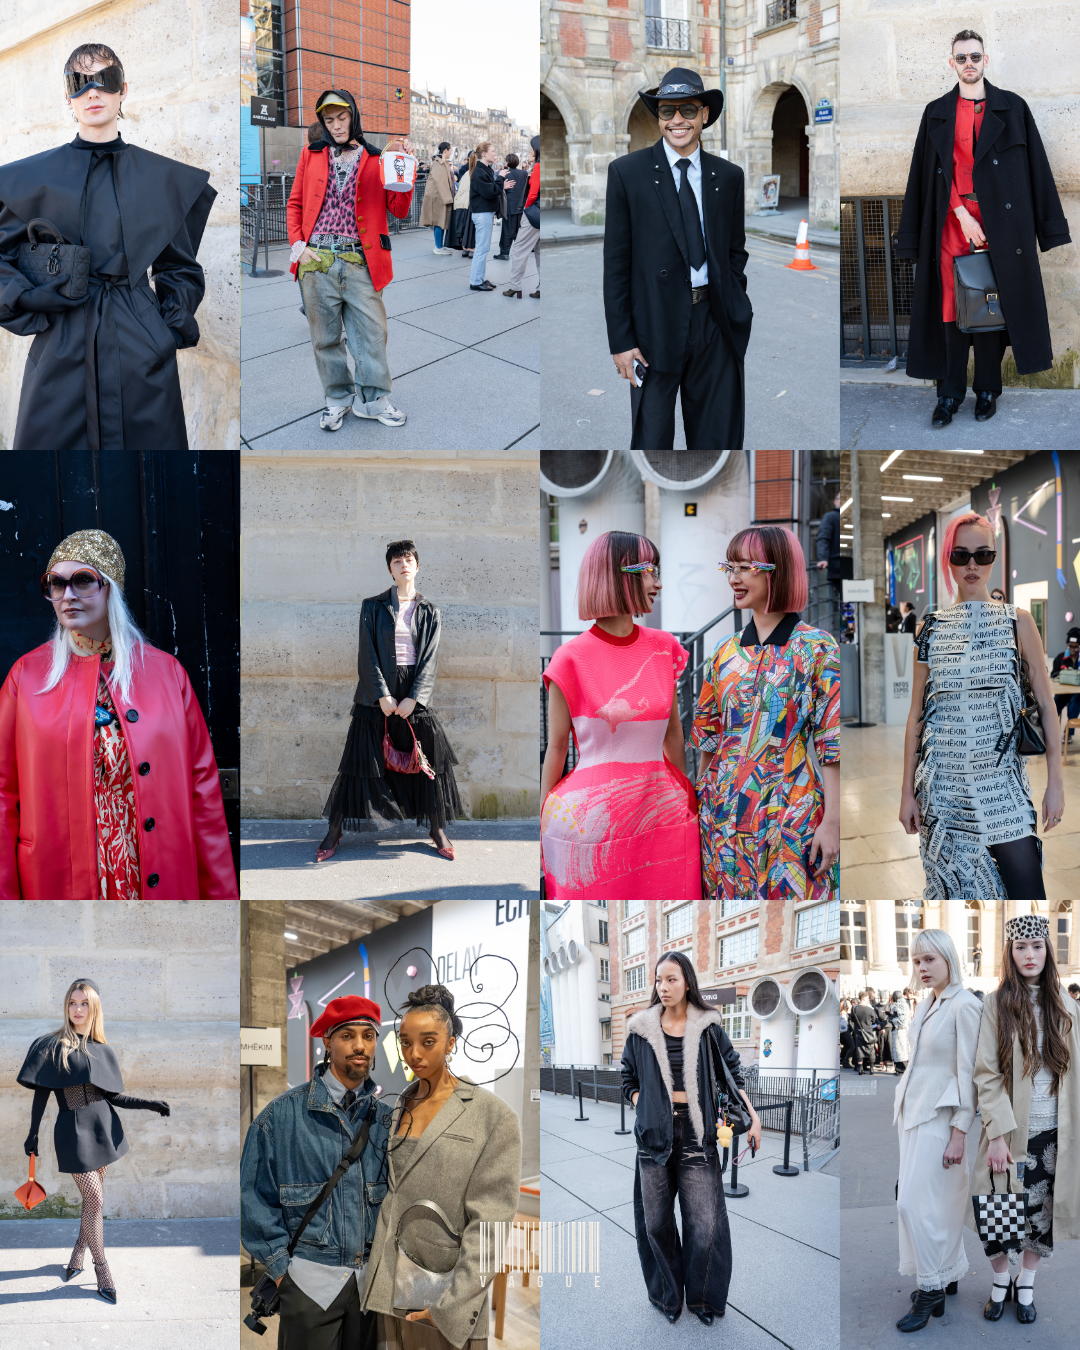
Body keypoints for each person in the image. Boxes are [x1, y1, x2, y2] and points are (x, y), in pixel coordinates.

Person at [0, 44, 215, 452]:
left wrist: (163, 330)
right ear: (68, 98)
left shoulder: (161, 179)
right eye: (80, 83)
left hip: (140, 345)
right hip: (61, 344)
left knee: (149, 476)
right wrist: (34, 299)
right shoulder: (30, 178)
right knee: (52, 473)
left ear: (123, 90)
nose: (93, 92)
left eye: (106, 80)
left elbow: (180, 268)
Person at [0, 530, 237, 899]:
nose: (68, 595)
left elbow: (203, 791)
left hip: (160, 875)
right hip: (58, 881)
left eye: (82, 581)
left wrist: (222, 899)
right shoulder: (26, 677)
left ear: (110, 586)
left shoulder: (166, 673)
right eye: (56, 584)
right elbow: (3, 794)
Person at [895, 30, 1071, 428]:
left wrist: (1049, 228)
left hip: (1003, 229)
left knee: (991, 307)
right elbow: (925, 177)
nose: (969, 63)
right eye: (961, 58)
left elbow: (1037, 171)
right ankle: (948, 395)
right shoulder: (936, 111)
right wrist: (960, 215)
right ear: (952, 63)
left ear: (985, 60)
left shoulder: (1013, 108)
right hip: (950, 226)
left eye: (975, 56)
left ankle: (987, 390)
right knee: (950, 310)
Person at [900, 511, 1064, 899]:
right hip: (943, 787)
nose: (971, 565)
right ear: (948, 560)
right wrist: (907, 791)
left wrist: (1055, 782)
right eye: (960, 556)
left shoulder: (1018, 622)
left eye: (983, 555)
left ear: (994, 558)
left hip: (1002, 783)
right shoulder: (931, 628)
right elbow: (916, 716)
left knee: (1028, 892)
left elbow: (1045, 701)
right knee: (956, 896)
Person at [541, 531, 700, 898]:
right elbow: (557, 748)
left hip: (666, 815)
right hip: (589, 825)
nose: (657, 583)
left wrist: (684, 797)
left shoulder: (665, 648)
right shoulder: (569, 658)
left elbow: (674, 735)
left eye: (657, 572)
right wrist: (541, 824)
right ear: (620, 575)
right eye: (649, 572)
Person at [362, 984, 521, 1349]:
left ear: (450, 1043)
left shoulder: (491, 1116)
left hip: (443, 1295)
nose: (413, 1053)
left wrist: (447, 1308)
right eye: (405, 1042)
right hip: (388, 1286)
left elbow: (490, 1226)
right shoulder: (399, 1105)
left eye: (428, 1041)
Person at [604, 67, 750, 450]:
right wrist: (621, 340)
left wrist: (736, 305)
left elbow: (735, 251)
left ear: (704, 114)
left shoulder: (729, 176)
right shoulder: (627, 173)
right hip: (652, 329)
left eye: (687, 109)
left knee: (716, 442)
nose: (677, 120)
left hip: (714, 324)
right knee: (652, 445)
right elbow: (616, 264)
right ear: (659, 117)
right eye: (667, 111)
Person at [693, 526, 840, 902]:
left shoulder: (816, 648)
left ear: (778, 570)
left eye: (745, 567)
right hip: (722, 818)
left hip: (791, 814)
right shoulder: (723, 653)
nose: (734, 578)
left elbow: (832, 745)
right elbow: (707, 739)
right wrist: (701, 804)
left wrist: (833, 823)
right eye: (730, 566)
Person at [241, 996, 391, 1350]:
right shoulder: (280, 1117)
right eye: (347, 1035)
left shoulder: (387, 1120)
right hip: (308, 1287)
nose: (360, 1046)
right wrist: (281, 1272)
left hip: (370, 1287)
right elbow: (253, 1198)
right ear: (327, 1041)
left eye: (369, 1036)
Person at [621, 953, 762, 1325]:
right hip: (654, 1136)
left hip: (697, 1134)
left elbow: (733, 1075)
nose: (662, 987)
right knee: (655, 1224)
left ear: (687, 982)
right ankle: (668, 1297)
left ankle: (702, 1300)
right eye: (658, 981)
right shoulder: (640, 1030)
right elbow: (627, 1079)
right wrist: (644, 1105)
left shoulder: (708, 1027)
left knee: (705, 1224)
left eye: (670, 980)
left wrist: (755, 1116)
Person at [18, 979, 170, 1304]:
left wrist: (150, 1103)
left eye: (84, 1003)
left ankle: (77, 1255)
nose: (77, 1009)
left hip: (102, 1128)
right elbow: (42, 1094)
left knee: (92, 1201)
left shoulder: (102, 1049)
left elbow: (114, 1096)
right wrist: (32, 1134)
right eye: (72, 1003)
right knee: (95, 1198)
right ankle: (102, 1268)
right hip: (71, 1130)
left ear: (94, 1008)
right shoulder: (51, 1045)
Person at [317, 540, 461, 864]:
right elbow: (366, 654)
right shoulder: (372, 606)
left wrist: (414, 698)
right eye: (397, 561)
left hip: (414, 695)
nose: (404, 564)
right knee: (358, 766)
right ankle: (334, 831)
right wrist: (381, 694)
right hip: (374, 697)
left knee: (428, 766)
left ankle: (437, 830)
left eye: (409, 559)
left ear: (417, 566)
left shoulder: (430, 611)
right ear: (390, 569)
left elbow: (430, 661)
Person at [969, 913, 1079, 1325]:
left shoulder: (1066, 1004)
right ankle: (1001, 1284)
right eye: (1020, 947)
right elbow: (986, 1071)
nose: (1029, 954)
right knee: (996, 1214)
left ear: (1048, 950)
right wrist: (996, 1134)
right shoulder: (997, 1003)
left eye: (1036, 946)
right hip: (1010, 1134)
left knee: (1040, 1218)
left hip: (1055, 1132)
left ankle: (1027, 1283)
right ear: (1009, 953)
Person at [287, 90, 412, 431]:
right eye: (330, 120)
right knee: (324, 338)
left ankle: (373, 402)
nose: (337, 125)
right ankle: (337, 399)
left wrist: (404, 168)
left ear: (353, 117)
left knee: (371, 335)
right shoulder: (310, 155)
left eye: (342, 118)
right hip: (317, 261)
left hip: (361, 261)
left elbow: (398, 210)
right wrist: (299, 245)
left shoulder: (377, 157)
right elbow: (295, 203)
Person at [892, 929, 982, 1331]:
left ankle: (930, 1290)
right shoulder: (928, 1003)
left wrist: (960, 1131)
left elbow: (971, 1074)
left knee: (912, 1203)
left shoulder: (964, 1005)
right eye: (917, 961)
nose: (922, 968)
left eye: (929, 959)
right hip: (912, 1116)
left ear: (948, 957)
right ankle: (944, 1278)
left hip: (940, 1120)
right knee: (935, 1201)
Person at [467, 142, 511, 291]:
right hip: (482, 214)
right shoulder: (480, 172)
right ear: (484, 154)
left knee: (483, 248)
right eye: (492, 151)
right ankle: (475, 281)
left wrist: (498, 181)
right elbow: (490, 192)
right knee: (481, 249)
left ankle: (480, 279)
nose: (495, 154)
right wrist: (500, 178)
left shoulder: (483, 170)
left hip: (484, 213)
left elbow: (491, 189)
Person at [505, 137, 540, 300]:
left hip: (534, 214)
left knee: (519, 248)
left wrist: (526, 210)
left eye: (532, 149)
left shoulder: (539, 167)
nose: (530, 152)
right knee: (540, 252)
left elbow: (533, 193)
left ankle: (515, 286)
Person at [420, 142, 456, 255]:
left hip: (439, 197)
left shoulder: (440, 162)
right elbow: (441, 183)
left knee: (441, 221)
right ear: (446, 150)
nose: (451, 153)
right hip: (438, 198)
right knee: (439, 221)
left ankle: (440, 246)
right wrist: (449, 198)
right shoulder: (439, 163)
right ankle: (438, 247)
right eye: (450, 150)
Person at [1050, 627, 1080, 740]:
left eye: (1076, 647)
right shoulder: (1060, 657)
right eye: (1070, 646)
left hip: (1078, 694)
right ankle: (1049, 732)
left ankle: (1068, 733)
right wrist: (1062, 673)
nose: (1072, 649)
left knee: (1075, 703)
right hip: (1063, 692)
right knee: (1053, 705)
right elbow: (1053, 675)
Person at [495, 153, 526, 259]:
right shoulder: (524, 173)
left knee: (507, 231)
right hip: (521, 206)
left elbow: (498, 188)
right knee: (519, 231)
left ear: (507, 162)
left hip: (509, 206)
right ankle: (520, 252)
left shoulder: (505, 174)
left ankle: (504, 252)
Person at [447, 157, 475, 258]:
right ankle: (471, 249)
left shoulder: (466, 172)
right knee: (470, 228)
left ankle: (464, 249)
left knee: (462, 226)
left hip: (459, 201)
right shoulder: (476, 172)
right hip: (469, 202)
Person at [850, 993, 878, 1076]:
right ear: (864, 999)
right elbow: (874, 1021)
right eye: (867, 999)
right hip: (868, 1032)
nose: (868, 1000)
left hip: (858, 1032)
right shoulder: (870, 1010)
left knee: (860, 1051)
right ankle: (872, 1069)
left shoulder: (854, 1009)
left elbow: (852, 1019)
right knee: (871, 1050)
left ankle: (860, 1069)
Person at [887, 991, 912, 1075]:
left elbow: (902, 1019)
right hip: (901, 1030)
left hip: (899, 1031)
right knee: (902, 1049)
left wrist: (892, 1020)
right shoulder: (903, 1004)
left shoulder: (899, 1005)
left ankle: (901, 1069)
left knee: (900, 1050)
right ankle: (901, 1069)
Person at [839, 1000, 856, 1070]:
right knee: (852, 1046)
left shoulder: (844, 1013)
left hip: (845, 1031)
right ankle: (846, 1061)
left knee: (848, 1046)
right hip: (845, 1031)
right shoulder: (843, 1014)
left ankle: (847, 1061)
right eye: (849, 1004)